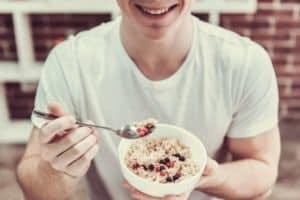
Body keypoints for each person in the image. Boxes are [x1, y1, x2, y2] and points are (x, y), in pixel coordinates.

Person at [17, 0, 281, 199]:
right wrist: (57, 169)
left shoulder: (245, 63)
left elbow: (262, 168)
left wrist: (211, 177)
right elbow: (33, 186)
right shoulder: (69, 63)